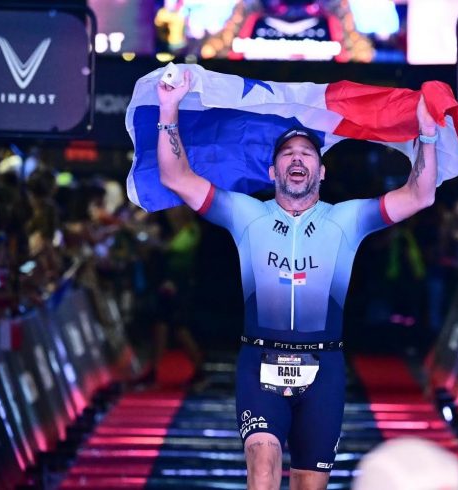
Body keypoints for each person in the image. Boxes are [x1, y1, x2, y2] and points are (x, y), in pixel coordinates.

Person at [156, 69, 438, 490]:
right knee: (264, 467)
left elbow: (421, 195)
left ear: (321, 173)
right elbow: (175, 177)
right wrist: (168, 107)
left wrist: (428, 136)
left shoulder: (347, 218)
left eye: (307, 153)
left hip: (324, 369)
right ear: (272, 172)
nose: (297, 159)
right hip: (260, 365)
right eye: (288, 154)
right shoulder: (245, 214)